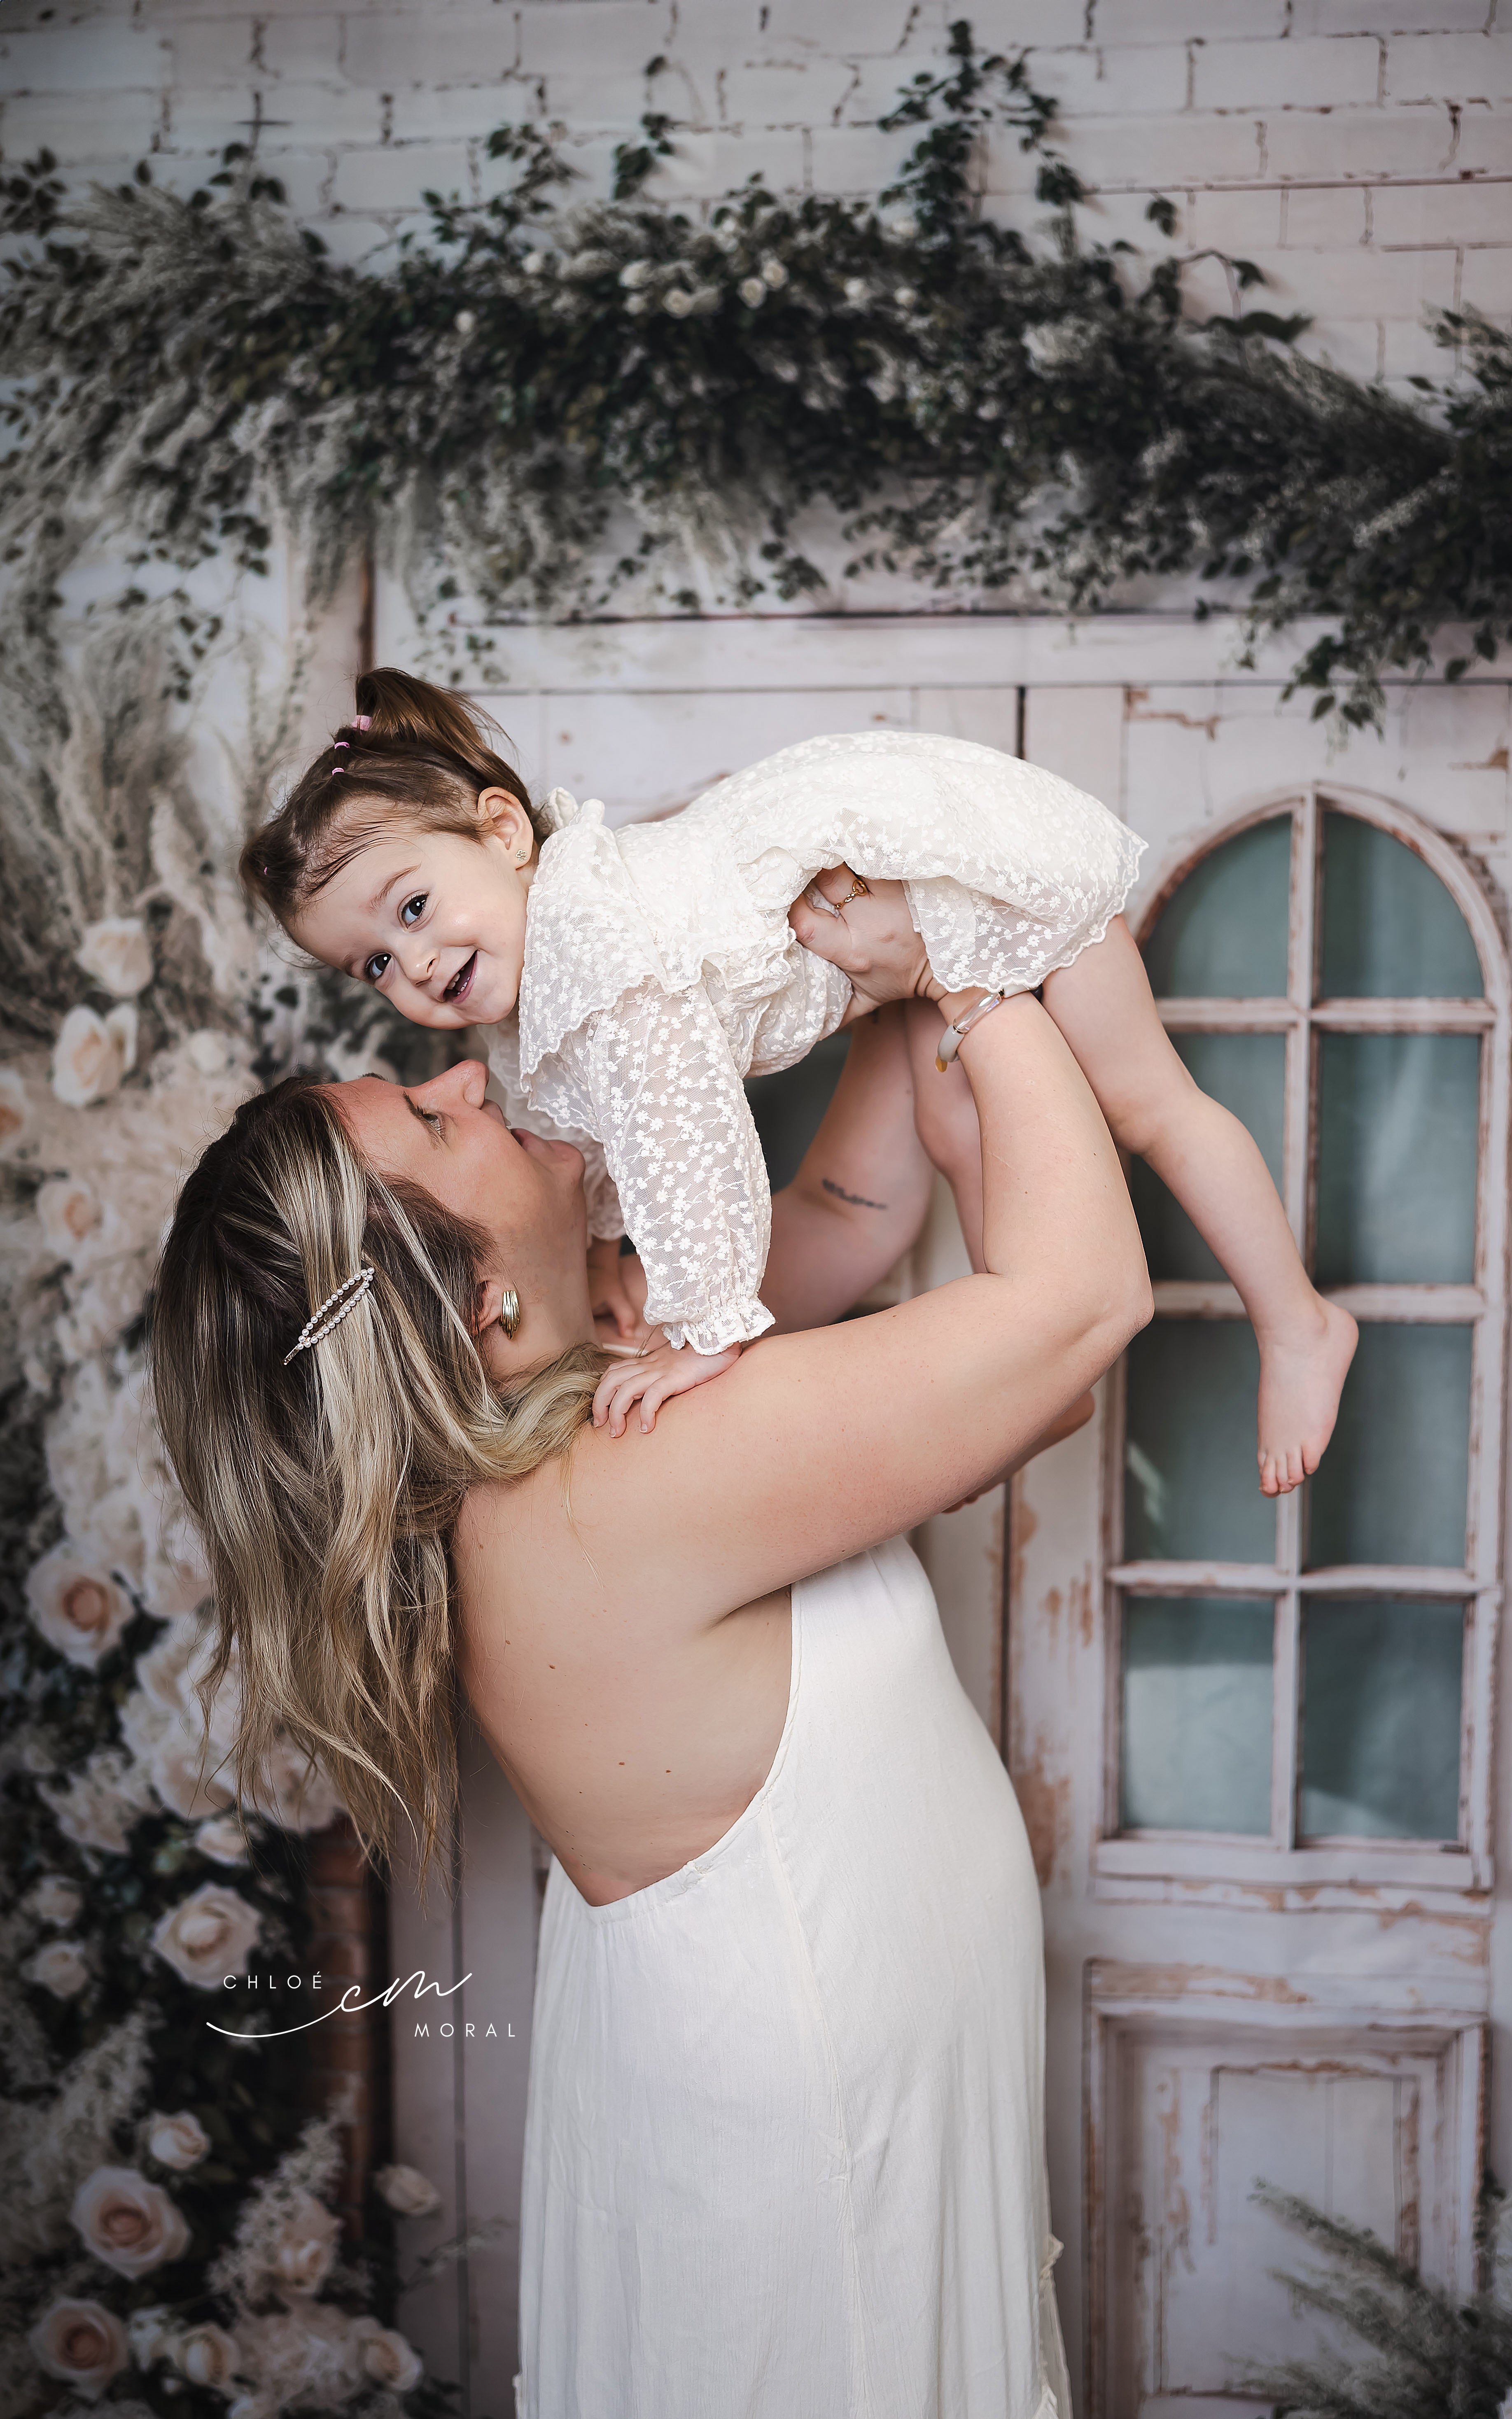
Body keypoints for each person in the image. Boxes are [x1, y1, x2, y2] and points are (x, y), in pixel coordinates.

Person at [151, 871, 1151, 2418]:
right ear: (481, 1306)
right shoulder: (616, 1498)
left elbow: (843, 1218)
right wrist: (981, 964)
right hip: (815, 2178)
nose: (471, 1073)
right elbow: (1081, 1311)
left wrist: (871, 952)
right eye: (431, 1122)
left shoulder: (592, 1421)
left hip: (800, 2123)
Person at [244, 670, 1351, 1497]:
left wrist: (703, 1322)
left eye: (413, 908)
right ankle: (1029, 1384)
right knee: (961, 1127)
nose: (415, 967)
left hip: (957, 869)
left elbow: (685, 1130)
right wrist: (596, 1256)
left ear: (501, 832)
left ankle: (1298, 1321)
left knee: (1148, 1104)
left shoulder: (601, 948)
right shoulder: (538, 1008)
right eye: (374, 964)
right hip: (899, 927)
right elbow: (583, 1141)